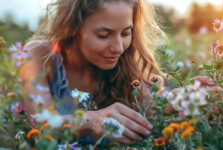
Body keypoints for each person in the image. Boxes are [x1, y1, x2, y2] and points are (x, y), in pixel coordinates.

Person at [20, 0, 165, 145]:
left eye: (125, 33)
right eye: (104, 35)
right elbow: (40, 124)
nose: (119, 48)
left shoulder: (124, 65)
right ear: (72, 28)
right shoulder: (39, 56)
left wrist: (174, 104)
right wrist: (92, 120)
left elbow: (153, 116)